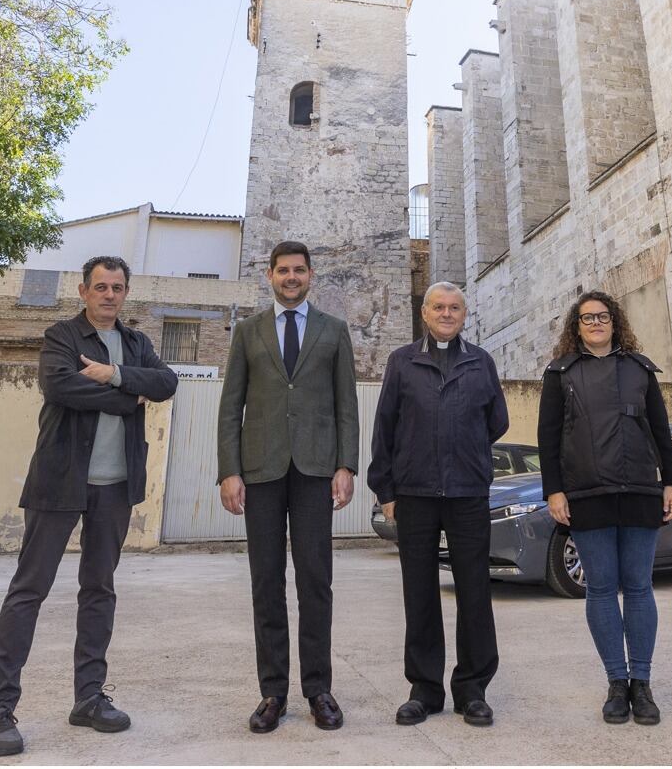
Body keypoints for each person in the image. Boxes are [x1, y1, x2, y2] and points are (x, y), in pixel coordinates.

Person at [0, 256, 180, 757]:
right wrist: (125, 393)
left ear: (126, 293)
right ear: (84, 292)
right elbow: (59, 386)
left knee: (99, 590)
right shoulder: (62, 335)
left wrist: (113, 374)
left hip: (115, 485)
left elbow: (166, 383)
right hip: (59, 480)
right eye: (101, 287)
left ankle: (89, 698)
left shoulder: (137, 343)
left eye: (117, 287)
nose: (109, 295)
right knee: (29, 590)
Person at [217, 241, 359, 734]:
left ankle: (318, 688)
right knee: (266, 581)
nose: (291, 277)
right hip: (260, 470)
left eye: (299, 270)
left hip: (316, 470)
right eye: (283, 270)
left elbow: (346, 405)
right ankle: (272, 692)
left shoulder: (334, 331)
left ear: (311, 275)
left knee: (315, 580)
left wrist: (346, 465)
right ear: (270, 276)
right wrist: (229, 470)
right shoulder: (247, 331)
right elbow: (230, 405)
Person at [368, 282, 508, 727]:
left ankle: (472, 690)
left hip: (468, 492)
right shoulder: (402, 362)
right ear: (425, 314)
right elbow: (385, 427)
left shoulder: (481, 362)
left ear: (464, 315)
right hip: (415, 494)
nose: (447, 314)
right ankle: (424, 690)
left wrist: (465, 450)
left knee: (475, 592)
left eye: (455, 307)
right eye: (439, 307)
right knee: (420, 594)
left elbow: (496, 421)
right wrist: (386, 491)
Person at [536, 290, 672, 726]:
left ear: (615, 322)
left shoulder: (640, 369)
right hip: (587, 494)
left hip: (639, 490)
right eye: (587, 318)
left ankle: (642, 684)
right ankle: (617, 683)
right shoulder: (560, 374)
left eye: (602, 316)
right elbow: (548, 437)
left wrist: (670, 482)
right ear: (576, 327)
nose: (595, 323)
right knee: (600, 588)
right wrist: (554, 491)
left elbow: (660, 429)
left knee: (638, 587)